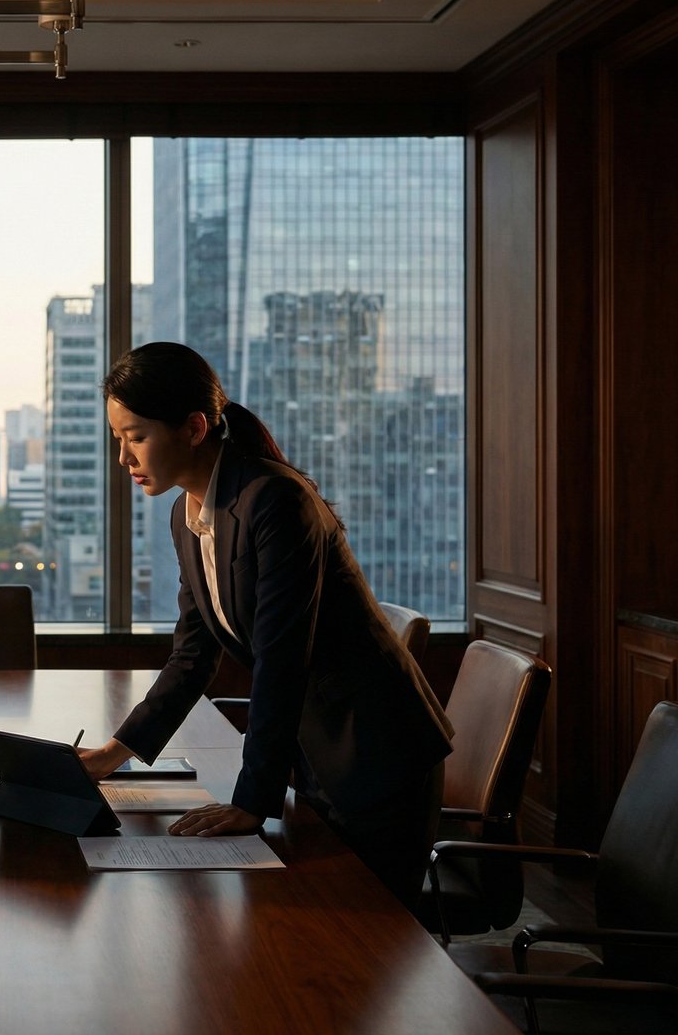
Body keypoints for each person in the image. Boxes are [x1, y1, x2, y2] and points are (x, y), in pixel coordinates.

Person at [80, 342, 452, 904]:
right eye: (118, 440)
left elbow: (282, 659)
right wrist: (115, 752)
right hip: (317, 753)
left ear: (194, 428)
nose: (124, 459)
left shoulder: (274, 500)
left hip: (376, 757)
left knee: (365, 947)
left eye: (136, 437)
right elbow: (192, 655)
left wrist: (251, 802)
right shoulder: (188, 517)